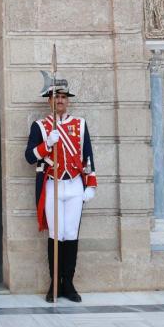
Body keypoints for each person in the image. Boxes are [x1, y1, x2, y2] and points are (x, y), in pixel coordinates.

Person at [24, 75, 97, 303]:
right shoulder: (41, 126)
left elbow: (87, 156)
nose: (61, 101)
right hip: (52, 185)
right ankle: (54, 283)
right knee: (56, 235)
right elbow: (29, 157)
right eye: (56, 97)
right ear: (50, 101)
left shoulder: (80, 124)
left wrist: (91, 184)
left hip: (74, 185)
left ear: (68, 101)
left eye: (64, 97)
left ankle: (69, 282)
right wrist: (47, 144)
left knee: (71, 234)